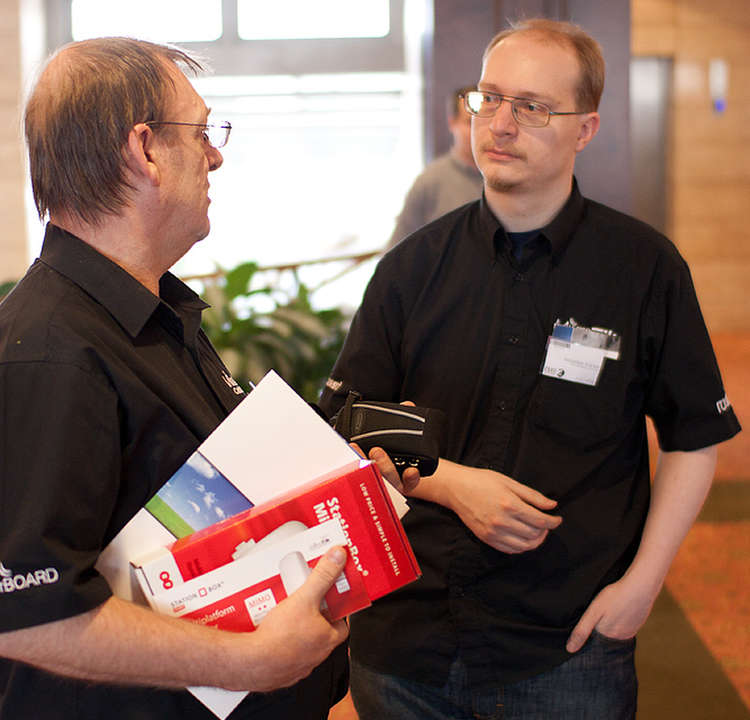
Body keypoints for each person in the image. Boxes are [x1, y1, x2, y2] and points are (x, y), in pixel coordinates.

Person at [320, 18, 741, 720]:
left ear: (586, 129)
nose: (500, 123)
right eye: (489, 98)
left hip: (566, 646)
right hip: (406, 642)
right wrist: (454, 485)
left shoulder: (643, 268)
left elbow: (694, 438)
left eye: (533, 106)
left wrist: (643, 585)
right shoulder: (410, 268)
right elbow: (345, 425)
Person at [0, 37, 350, 719]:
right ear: (146, 150)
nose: (216, 156)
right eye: (202, 131)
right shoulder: (51, 351)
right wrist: (249, 662)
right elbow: (26, 614)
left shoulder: (150, 313)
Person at [386, 86, 483, 249]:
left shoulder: (506, 178)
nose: (477, 131)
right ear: (452, 123)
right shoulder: (429, 182)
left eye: (483, 123)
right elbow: (396, 252)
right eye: (469, 122)